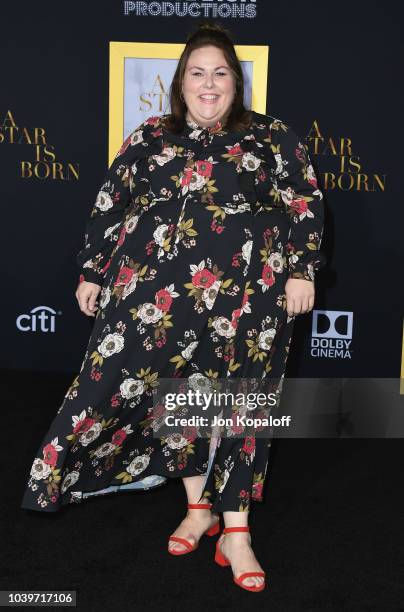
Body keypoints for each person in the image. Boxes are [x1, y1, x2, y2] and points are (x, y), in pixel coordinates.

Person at [20, 22, 326, 593]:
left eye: (220, 74)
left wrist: (303, 268)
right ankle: (198, 508)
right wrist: (93, 270)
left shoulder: (272, 137)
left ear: (237, 83)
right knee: (176, 398)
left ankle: (237, 532)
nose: (208, 84)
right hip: (158, 297)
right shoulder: (148, 136)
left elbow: (303, 203)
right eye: (196, 73)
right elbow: (111, 205)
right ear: (179, 81)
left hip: (252, 293)